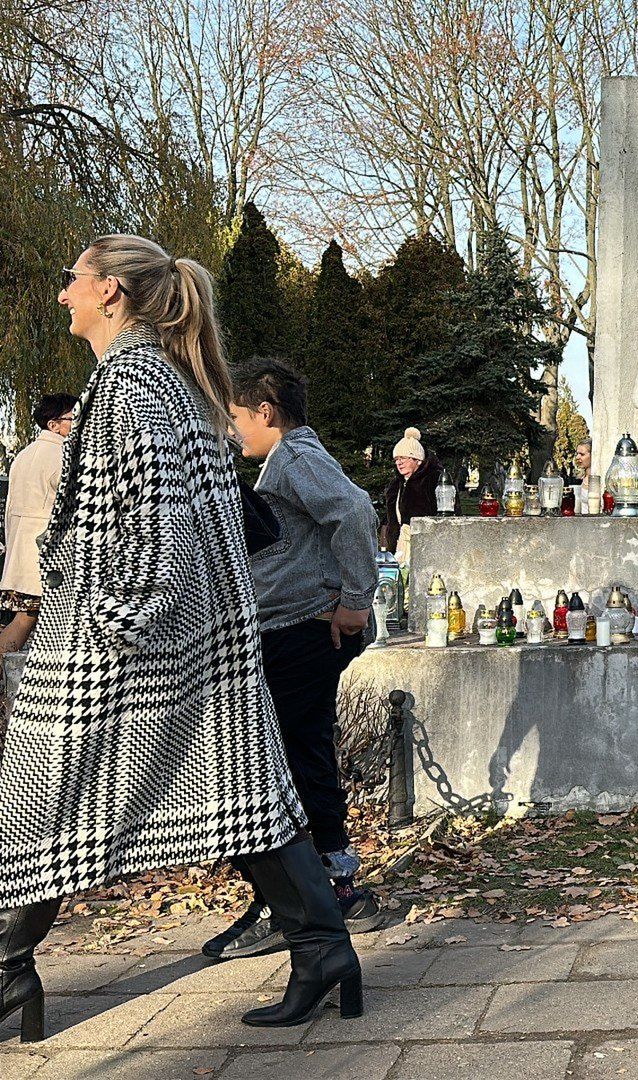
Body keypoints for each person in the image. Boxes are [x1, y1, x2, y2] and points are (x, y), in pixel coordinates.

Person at [0, 235, 362, 1042]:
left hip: (122, 645)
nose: (62, 294)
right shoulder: (164, 378)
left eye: (71, 279)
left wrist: (113, 618)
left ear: (111, 292)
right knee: (236, 798)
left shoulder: (130, 383)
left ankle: (9, 970)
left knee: (44, 802)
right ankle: (323, 949)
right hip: (181, 639)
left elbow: (158, 531)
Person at [203, 357, 382, 962]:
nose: (232, 429)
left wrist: (355, 601)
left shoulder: (297, 456)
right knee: (299, 753)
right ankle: (320, 889)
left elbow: (355, 512)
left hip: (304, 630)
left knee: (289, 758)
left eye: (235, 416)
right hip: (290, 627)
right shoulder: (285, 460)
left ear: (265, 412)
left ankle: (313, 896)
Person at [0, 394, 77, 654]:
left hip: (23, 557)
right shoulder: (65, 455)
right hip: (52, 558)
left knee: (24, 619)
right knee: (40, 621)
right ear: (53, 425)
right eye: (74, 418)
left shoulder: (23, 456)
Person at [378, 426, 441, 556]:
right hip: (399, 548)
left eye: (403, 458)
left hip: (428, 546)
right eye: (396, 459)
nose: (399, 463)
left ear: (418, 460)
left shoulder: (435, 480)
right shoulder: (395, 485)